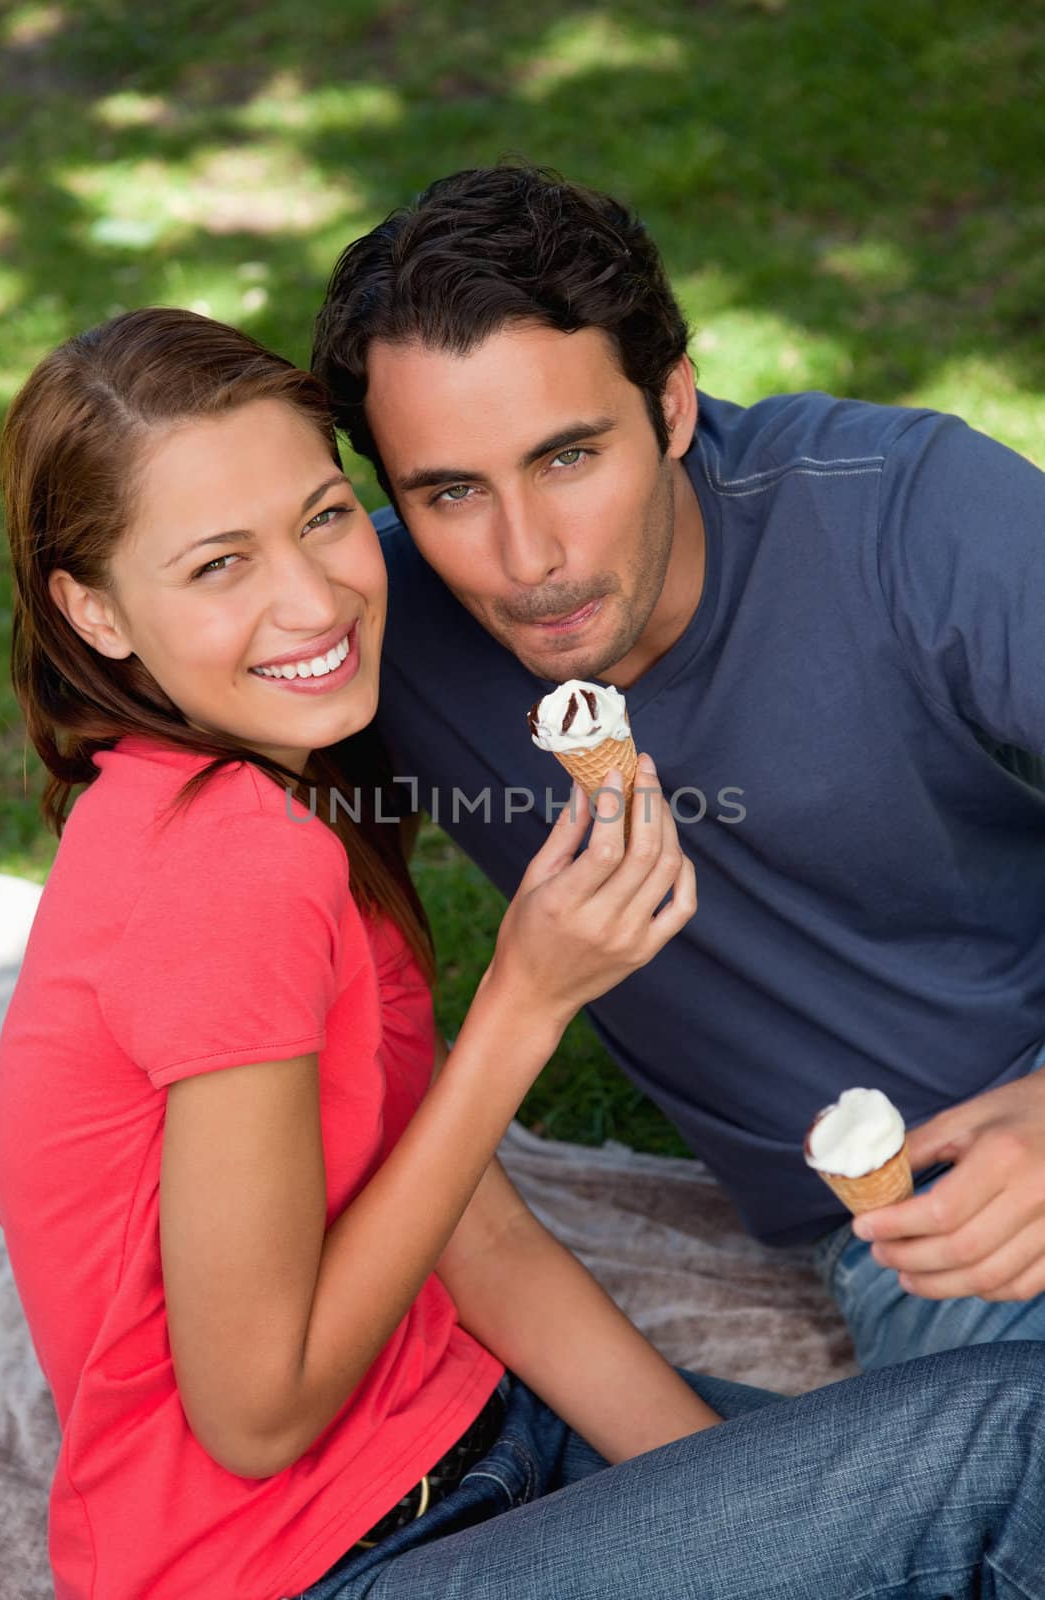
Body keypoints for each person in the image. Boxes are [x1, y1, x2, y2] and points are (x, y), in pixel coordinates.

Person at [0, 307, 1045, 1600]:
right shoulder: (227, 864)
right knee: (1012, 1441)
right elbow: (250, 1415)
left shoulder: (262, 809)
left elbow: (463, 1228)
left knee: (928, 1499)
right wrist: (522, 1005)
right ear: (93, 611)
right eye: (217, 565)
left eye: (323, 518)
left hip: (486, 1451)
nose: (311, 598)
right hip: (314, 1566)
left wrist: (767, 1519)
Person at [312, 161, 1045, 1372]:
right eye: (448, 491)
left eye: (566, 457)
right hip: (912, 1228)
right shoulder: (371, 634)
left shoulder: (910, 517)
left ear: (670, 406)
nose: (525, 557)